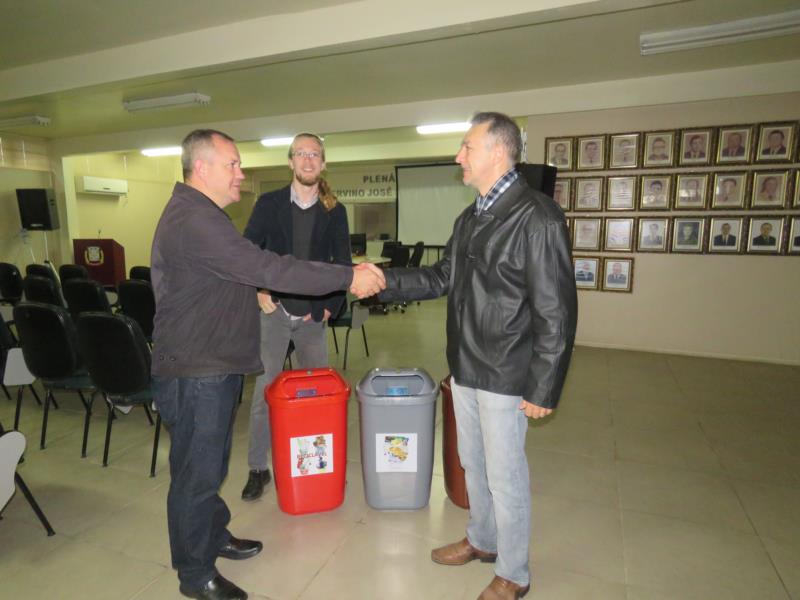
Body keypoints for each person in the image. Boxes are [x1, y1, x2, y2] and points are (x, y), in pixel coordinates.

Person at [150, 129, 385, 600]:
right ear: (202, 168)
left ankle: (213, 535)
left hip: (211, 364)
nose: (242, 173)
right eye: (233, 164)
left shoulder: (202, 215)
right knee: (196, 475)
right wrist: (347, 276)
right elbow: (268, 268)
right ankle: (195, 575)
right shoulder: (195, 220)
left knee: (210, 465)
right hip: (195, 370)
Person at [379, 112, 577, 600]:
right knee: (473, 462)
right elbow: (440, 277)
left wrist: (543, 386)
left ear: (498, 152)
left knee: (506, 475)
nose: (458, 156)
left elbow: (556, 309)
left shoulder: (538, 217)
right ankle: (483, 540)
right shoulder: (470, 217)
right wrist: (383, 281)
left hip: (507, 370)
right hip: (465, 366)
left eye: (467, 147)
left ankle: (514, 572)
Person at [239, 133, 351, 501]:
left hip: (312, 316)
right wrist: (259, 288)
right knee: (265, 391)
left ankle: (316, 464)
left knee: (317, 394)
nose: (307, 160)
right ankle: (258, 468)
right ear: (290, 161)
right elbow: (248, 252)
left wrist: (329, 305)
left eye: (314, 154)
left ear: (323, 163)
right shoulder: (269, 204)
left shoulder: (335, 211)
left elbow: (343, 265)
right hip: (274, 310)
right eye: (301, 153)